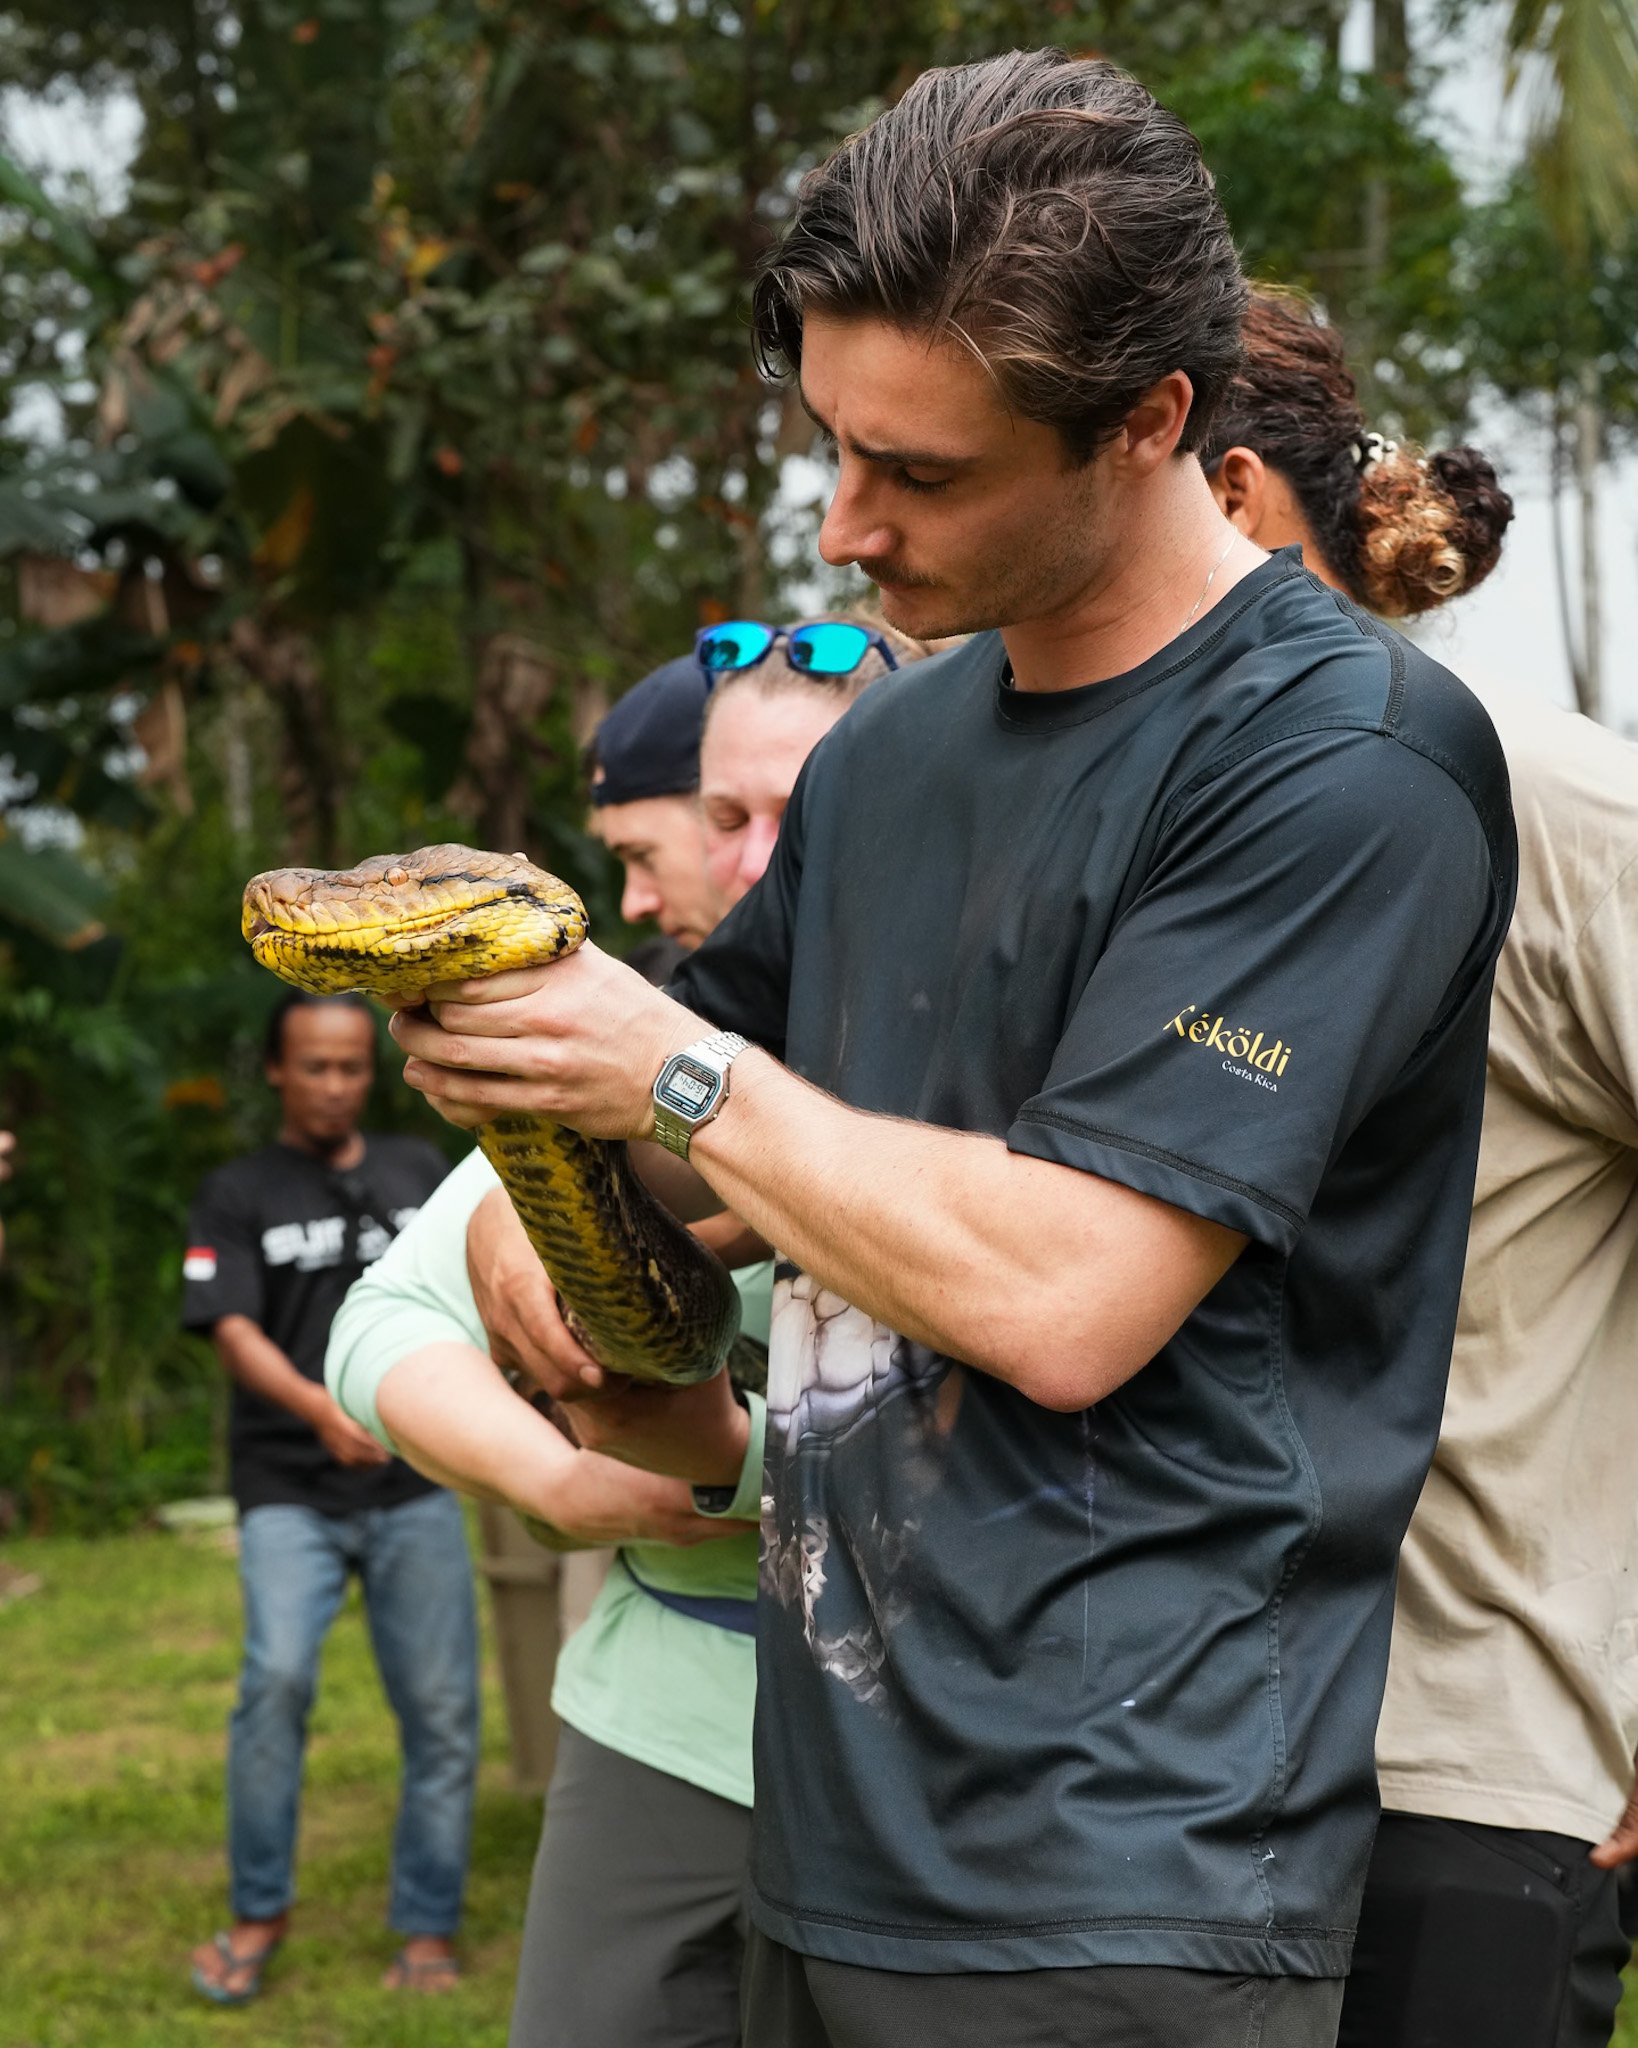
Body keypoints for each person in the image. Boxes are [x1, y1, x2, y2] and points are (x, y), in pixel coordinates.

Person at [388, 50, 1516, 2048]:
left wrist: (659, 1075)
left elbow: (1073, 1289)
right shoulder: (894, 747)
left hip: (1130, 1867)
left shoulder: (1343, 761)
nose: (840, 530)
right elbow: (688, 1144)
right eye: (832, 445)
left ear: (1152, 422)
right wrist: (529, 1179)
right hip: (824, 1817)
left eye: (918, 473)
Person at [328, 621, 919, 2048]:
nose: (743, 863)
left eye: (800, 812)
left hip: (938, 1757)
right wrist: (559, 1484)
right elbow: (381, 1324)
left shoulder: (1008, 1029)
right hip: (667, 1722)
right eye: (723, 816)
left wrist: (726, 1460)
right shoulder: (646, 1037)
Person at [1200, 289, 1638, 2045]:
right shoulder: (1122, 826)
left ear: (1224, 496)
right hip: (1144, 1774)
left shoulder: (1544, 800)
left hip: (1455, 1773)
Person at [182, 991, 475, 2004]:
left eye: (353, 1064)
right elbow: (229, 1326)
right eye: (315, 1065)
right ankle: (258, 1909)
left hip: (414, 1480)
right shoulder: (236, 1190)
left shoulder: (416, 1173)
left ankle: (429, 1924)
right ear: (277, 1068)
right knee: (276, 1681)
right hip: (287, 1488)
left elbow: (464, 1296)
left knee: (440, 1709)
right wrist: (320, 1408)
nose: (337, 1083)